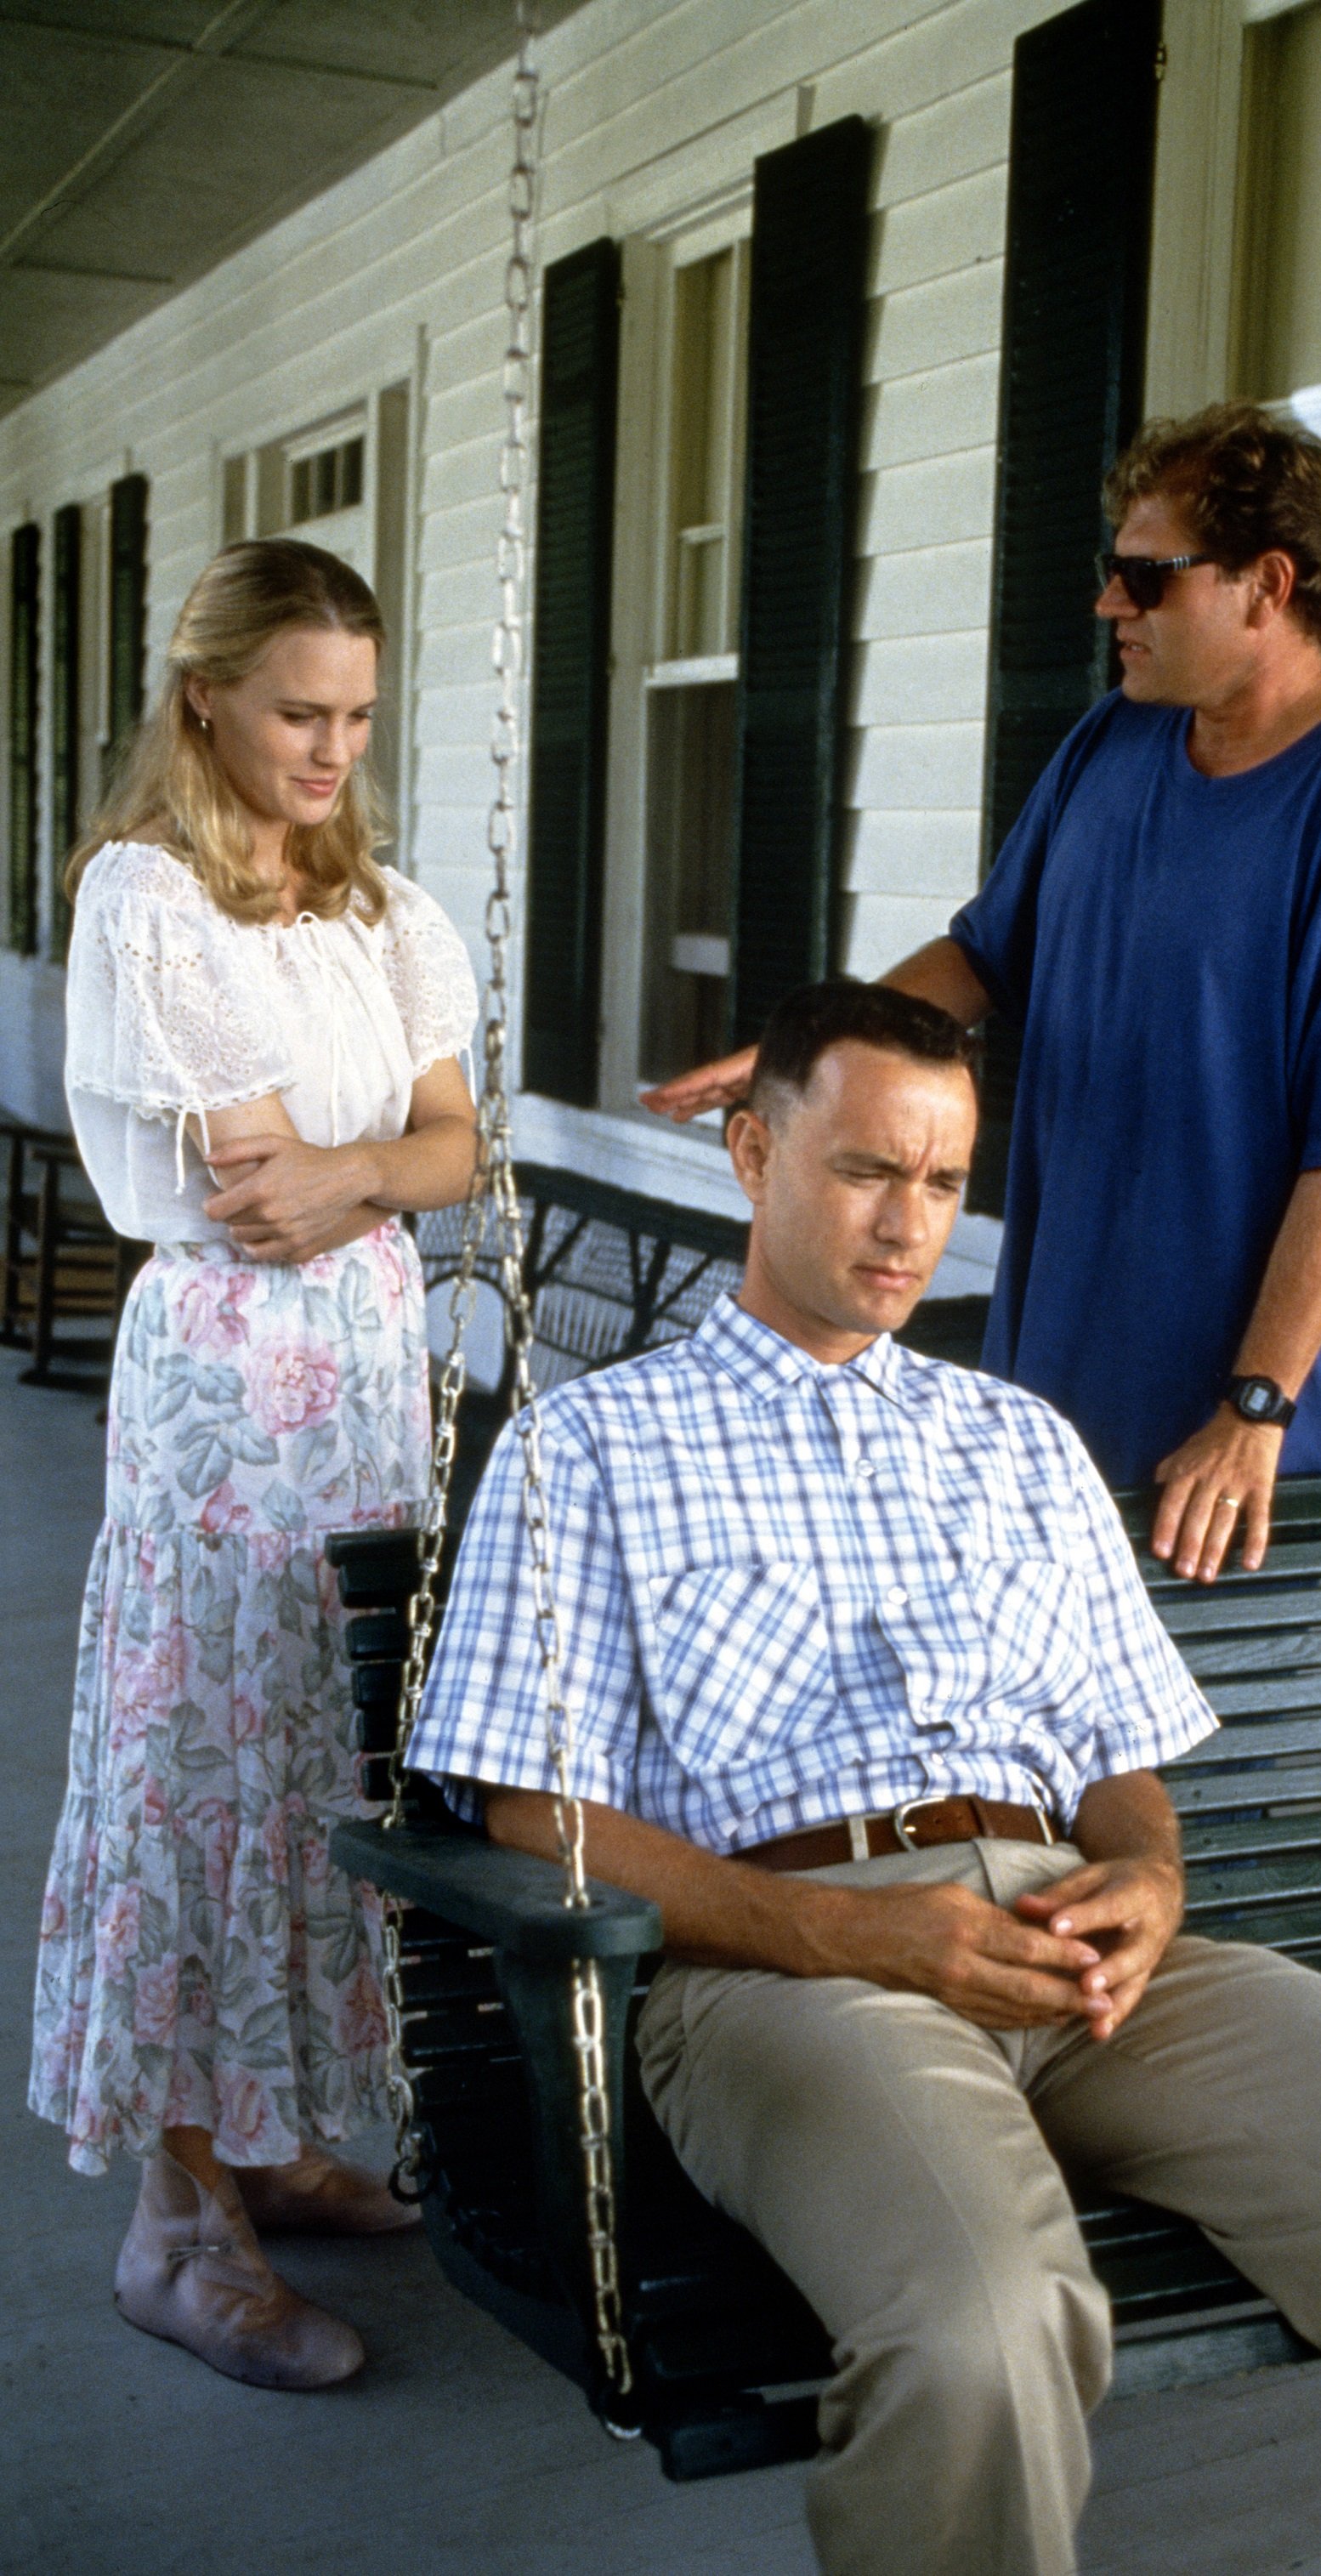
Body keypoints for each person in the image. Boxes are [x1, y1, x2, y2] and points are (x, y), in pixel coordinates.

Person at [410, 981, 1321, 2576]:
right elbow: (535, 1811)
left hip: (1072, 1948)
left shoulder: (1016, 1439)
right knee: (987, 2329)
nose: (907, 1224)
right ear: (751, 1149)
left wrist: (1151, 1875)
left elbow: (1118, 1758)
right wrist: (851, 1936)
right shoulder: (594, 1447)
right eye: (866, 1168)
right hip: (781, 1969)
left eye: (942, 1182)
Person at [642, 403, 1321, 1587]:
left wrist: (1255, 1407)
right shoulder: (1111, 744)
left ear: (1265, 585)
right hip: (1047, 1392)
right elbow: (982, 960)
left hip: (1215, 1446)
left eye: (1146, 576)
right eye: (1109, 570)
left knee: (1182, 1774)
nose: (1109, 604)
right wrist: (803, 1052)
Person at [29, 538, 479, 2390]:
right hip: (228, 1374)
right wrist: (383, 1172)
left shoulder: (391, 911)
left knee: (334, 1742)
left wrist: (371, 1172)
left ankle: (286, 2142)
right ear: (202, 695)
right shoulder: (150, 902)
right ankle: (179, 2214)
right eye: (299, 710)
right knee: (206, 1750)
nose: (330, 748)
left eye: (358, 715)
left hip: (370, 1380)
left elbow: (450, 1149)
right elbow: (257, 1190)